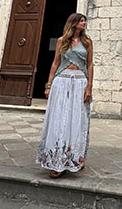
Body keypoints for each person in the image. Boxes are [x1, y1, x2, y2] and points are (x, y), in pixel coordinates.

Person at [36, 13, 94, 178]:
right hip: (61, 82)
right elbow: (55, 63)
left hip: (80, 82)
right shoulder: (62, 41)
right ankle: (57, 161)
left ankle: (76, 158)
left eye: (85, 20)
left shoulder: (87, 42)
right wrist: (48, 85)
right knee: (59, 120)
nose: (84, 23)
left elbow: (89, 64)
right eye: (81, 20)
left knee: (78, 121)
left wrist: (89, 87)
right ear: (73, 23)